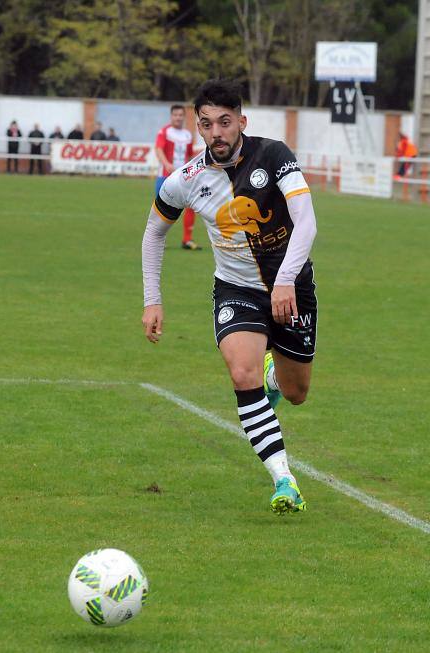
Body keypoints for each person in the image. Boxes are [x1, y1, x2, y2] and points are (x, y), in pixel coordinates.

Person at [141, 79, 318, 515]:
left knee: (296, 393)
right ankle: (284, 480)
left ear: (242, 121)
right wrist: (153, 298)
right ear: (198, 128)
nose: (216, 132)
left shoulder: (274, 155)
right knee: (242, 374)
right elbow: (154, 233)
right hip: (235, 290)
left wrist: (285, 281)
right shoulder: (186, 180)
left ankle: (276, 375)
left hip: (291, 287)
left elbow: (306, 220)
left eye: (224, 122)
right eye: (207, 124)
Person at [155, 105, 201, 250]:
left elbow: (189, 155)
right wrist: (166, 164)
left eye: (181, 115)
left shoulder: (188, 135)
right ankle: (158, 239)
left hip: (183, 178)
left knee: (191, 206)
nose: (178, 117)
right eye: (175, 115)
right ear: (171, 116)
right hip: (165, 175)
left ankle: (187, 240)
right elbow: (158, 149)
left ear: (184, 117)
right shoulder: (164, 131)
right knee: (162, 210)